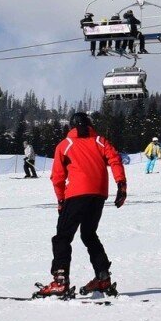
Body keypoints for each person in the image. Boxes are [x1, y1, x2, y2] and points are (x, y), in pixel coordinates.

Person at [37, 112, 127, 297]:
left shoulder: (65, 144)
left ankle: (60, 281)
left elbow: (57, 177)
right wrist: (121, 185)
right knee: (89, 235)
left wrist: (61, 200)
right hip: (98, 194)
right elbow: (115, 159)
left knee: (63, 236)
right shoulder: (100, 141)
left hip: (76, 194)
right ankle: (102, 278)